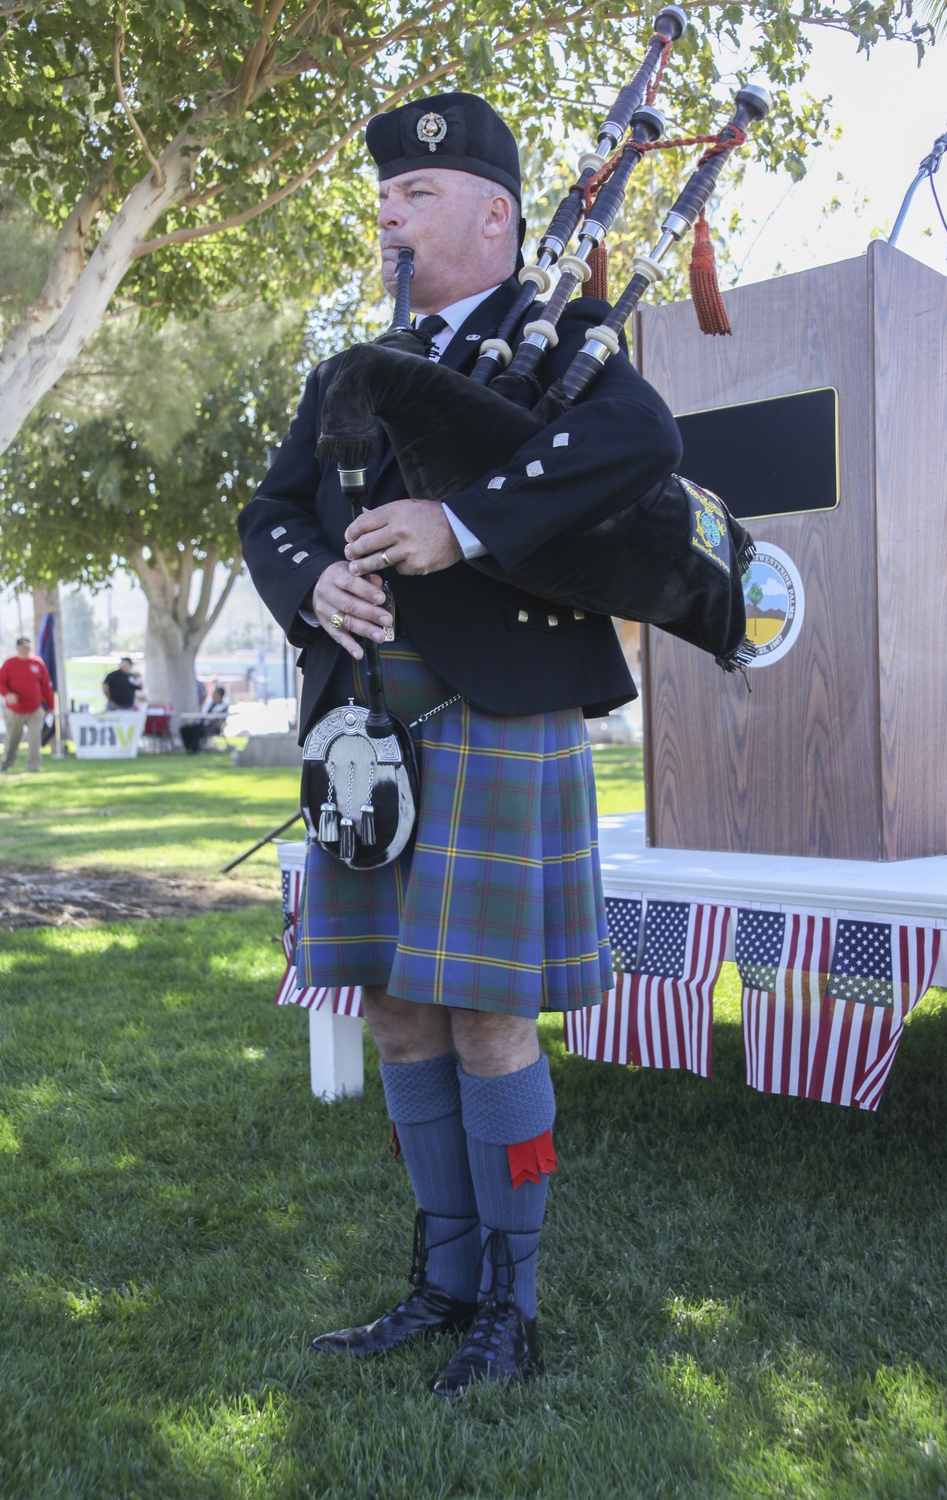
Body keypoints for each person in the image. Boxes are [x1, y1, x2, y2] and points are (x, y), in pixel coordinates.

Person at [239, 92, 682, 1396]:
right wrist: (314, 579)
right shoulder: (345, 371)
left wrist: (462, 526)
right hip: (360, 724)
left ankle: (514, 1299)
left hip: (496, 713)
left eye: (419, 192)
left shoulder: (560, 337)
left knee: (488, 1015)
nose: (392, 207)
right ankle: (441, 1278)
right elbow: (271, 511)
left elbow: (638, 441)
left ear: (494, 213)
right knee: (392, 1002)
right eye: (386, 195)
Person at [0, 635, 55, 773]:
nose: (24, 650)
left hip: (35, 709)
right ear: (17, 649)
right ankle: (6, 764)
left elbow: (46, 686)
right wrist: (7, 694)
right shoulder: (10, 663)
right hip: (15, 709)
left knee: (35, 740)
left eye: (27, 647)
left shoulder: (37, 663)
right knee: (12, 740)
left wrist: (51, 706)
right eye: (22, 647)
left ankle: (33, 767)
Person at [180, 685, 229, 753]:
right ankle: (189, 748)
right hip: (201, 724)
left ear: (220, 695)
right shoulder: (208, 703)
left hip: (212, 727)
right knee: (184, 729)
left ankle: (196, 750)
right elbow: (201, 713)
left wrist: (209, 719)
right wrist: (194, 721)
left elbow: (220, 719)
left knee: (196, 730)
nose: (213, 695)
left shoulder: (223, 706)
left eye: (215, 693)